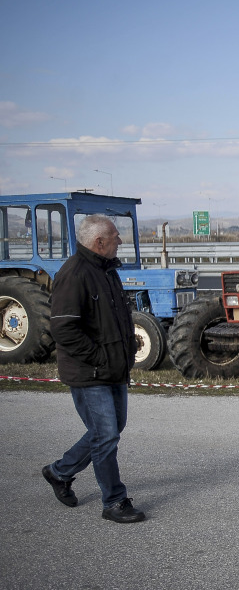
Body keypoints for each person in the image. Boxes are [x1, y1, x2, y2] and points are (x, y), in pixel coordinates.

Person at [41, 214, 145, 523]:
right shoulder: (74, 274)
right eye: (116, 237)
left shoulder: (107, 270)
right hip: (90, 372)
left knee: (110, 431)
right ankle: (114, 501)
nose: (120, 241)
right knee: (107, 435)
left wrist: (128, 345)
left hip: (113, 368)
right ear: (99, 242)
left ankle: (60, 472)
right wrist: (99, 357)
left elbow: (113, 317)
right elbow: (64, 330)